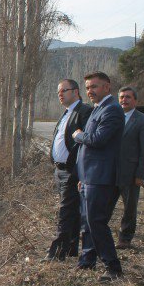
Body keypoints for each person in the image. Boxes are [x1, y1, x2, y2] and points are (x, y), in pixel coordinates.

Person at [73, 71, 125, 281]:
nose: (90, 91)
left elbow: (98, 139)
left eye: (94, 86)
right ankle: (87, 260)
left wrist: (79, 136)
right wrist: (82, 177)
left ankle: (113, 267)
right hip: (89, 177)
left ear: (107, 87)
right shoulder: (98, 109)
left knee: (96, 222)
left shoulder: (112, 110)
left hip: (101, 177)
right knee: (87, 221)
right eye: (87, 88)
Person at [44, 79, 93, 261]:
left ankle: (57, 253)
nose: (61, 94)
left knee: (65, 212)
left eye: (64, 90)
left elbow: (86, 141)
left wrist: (79, 168)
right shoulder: (66, 113)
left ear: (76, 92)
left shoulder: (84, 112)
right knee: (70, 212)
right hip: (60, 171)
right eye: (59, 92)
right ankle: (71, 247)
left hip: (72, 171)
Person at [113, 86, 144, 249]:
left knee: (129, 207)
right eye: (122, 97)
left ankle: (125, 237)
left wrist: (140, 174)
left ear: (135, 100)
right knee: (105, 204)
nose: (124, 100)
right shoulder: (113, 117)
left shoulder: (143, 121)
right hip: (110, 171)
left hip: (130, 173)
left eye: (128, 97)